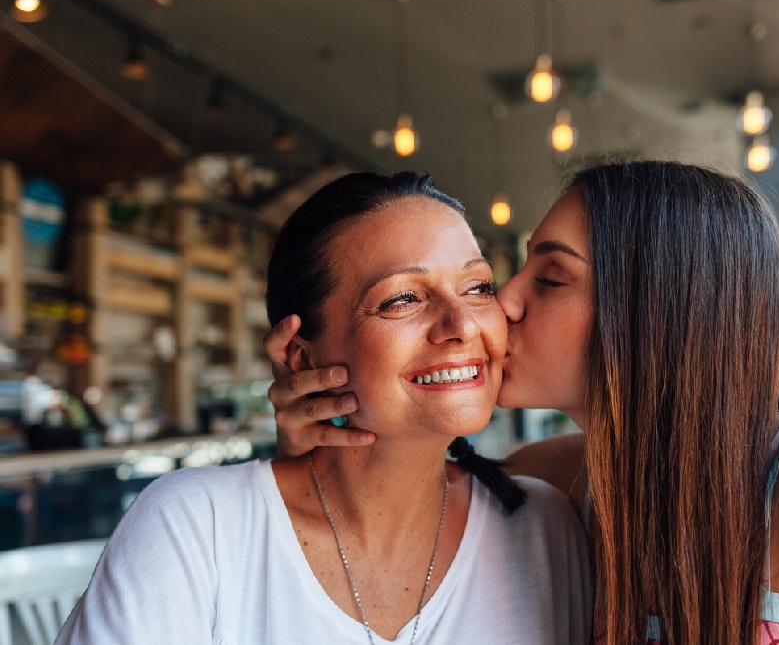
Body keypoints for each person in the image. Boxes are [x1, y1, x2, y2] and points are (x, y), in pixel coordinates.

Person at [265, 160, 779, 644]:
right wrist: (316, 441)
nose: (502, 304)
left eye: (550, 278)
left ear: (659, 310)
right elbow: (380, 508)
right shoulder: (549, 484)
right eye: (502, 278)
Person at [56, 173, 591, 644]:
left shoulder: (545, 527)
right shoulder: (199, 527)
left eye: (477, 287)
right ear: (301, 355)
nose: (462, 325)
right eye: (402, 298)